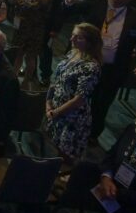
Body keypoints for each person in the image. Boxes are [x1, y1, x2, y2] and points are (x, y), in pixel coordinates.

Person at [62, 0, 136, 139]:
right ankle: (65, 129)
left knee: (101, 104)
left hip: (113, 68)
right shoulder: (93, 2)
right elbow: (69, 10)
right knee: (73, 97)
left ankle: (92, 136)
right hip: (83, 63)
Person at [44, 23, 102, 163]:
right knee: (56, 150)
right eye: (73, 35)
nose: (72, 39)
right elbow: (56, 80)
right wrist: (48, 102)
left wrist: (56, 112)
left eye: (78, 37)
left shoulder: (91, 67)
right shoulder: (72, 54)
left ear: (90, 43)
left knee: (66, 156)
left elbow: (80, 99)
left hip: (72, 117)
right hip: (56, 109)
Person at [8, 0, 52, 83]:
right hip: (20, 28)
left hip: (34, 30)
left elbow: (44, 1)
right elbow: (10, 0)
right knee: (18, 54)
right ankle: (13, 79)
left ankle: (27, 81)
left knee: (30, 57)